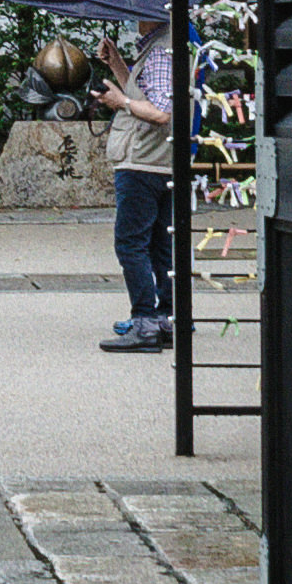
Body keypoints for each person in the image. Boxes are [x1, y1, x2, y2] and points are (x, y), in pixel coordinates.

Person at [98, 26, 177, 350]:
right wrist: (116, 62)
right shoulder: (162, 46)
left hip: (142, 161)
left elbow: (160, 112)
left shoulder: (160, 50)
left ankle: (144, 323)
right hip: (161, 161)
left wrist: (121, 102)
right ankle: (165, 320)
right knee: (160, 244)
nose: (132, 19)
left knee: (131, 244)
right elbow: (146, 92)